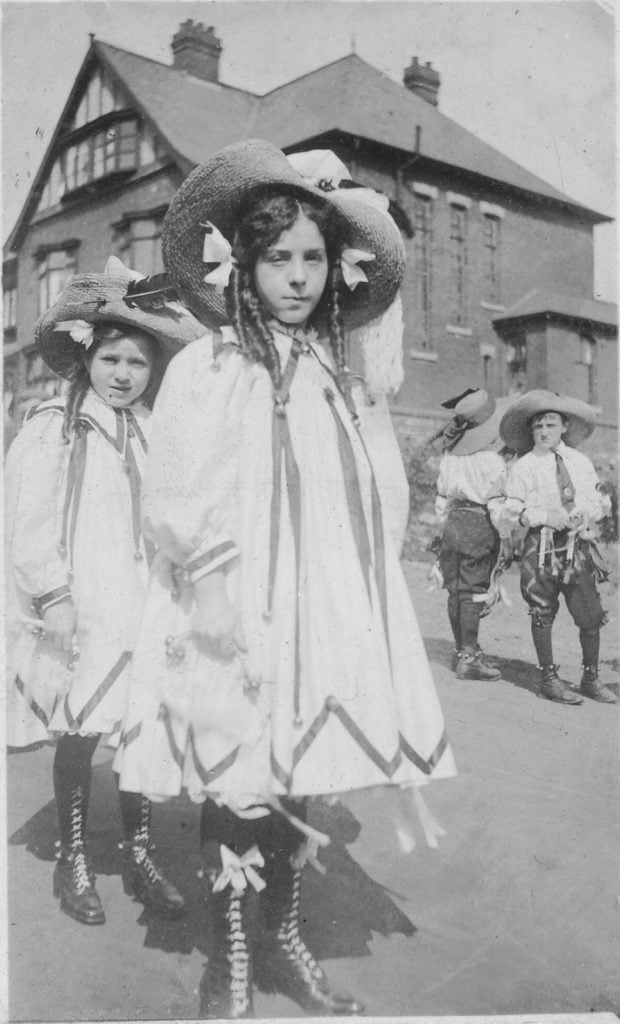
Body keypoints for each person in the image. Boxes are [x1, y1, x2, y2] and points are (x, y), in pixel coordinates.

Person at [114, 139, 456, 1018]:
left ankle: (284, 932)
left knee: (302, 764)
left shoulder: (338, 377)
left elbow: (372, 490)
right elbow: (180, 488)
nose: (298, 279)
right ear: (245, 265)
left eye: (312, 260)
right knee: (243, 771)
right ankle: (231, 948)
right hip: (236, 602)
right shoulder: (211, 366)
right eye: (278, 260)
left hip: (323, 606)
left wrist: (371, 600)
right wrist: (217, 590)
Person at [5, 258, 205, 925]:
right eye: (112, 359)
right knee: (83, 731)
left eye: (138, 365)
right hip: (85, 605)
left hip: (143, 603)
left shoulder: (153, 433)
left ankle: (141, 849)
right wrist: (53, 598)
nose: (123, 375)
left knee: (140, 728)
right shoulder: (55, 428)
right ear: (87, 357)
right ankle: (74, 856)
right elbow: (30, 523)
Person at [499, 389, 615, 704]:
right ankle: (548, 678)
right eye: (538, 426)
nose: (544, 432)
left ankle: (590, 677)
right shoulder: (524, 466)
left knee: (589, 612)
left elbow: (598, 501)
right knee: (542, 608)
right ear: (531, 431)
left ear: (564, 426)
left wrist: (585, 514)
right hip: (541, 545)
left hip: (577, 545)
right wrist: (543, 516)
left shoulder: (579, 462)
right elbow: (511, 509)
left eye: (551, 424)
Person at [432, 389, 515, 680]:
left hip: (454, 524)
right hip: (480, 524)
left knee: (455, 589)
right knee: (473, 591)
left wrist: (441, 530)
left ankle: (461, 651)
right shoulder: (491, 461)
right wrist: (505, 537)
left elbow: (442, 499)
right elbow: (497, 504)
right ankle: (470, 656)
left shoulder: (450, 457)